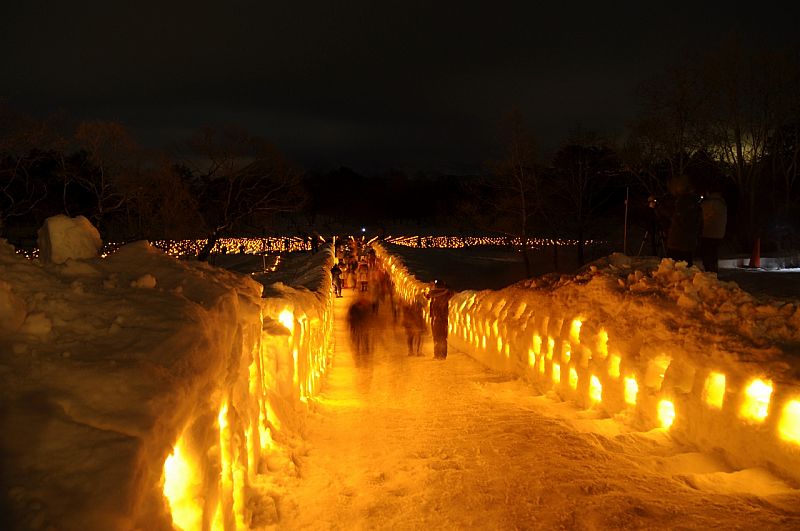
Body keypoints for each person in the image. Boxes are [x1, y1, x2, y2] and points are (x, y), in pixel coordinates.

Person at [665, 175, 702, 266]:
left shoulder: (683, 201)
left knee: (674, 268)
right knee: (685, 267)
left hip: (678, 242)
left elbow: (676, 217)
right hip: (688, 242)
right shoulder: (694, 201)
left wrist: (658, 207)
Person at [700, 189, 727, 273]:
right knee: (714, 253)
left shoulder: (707, 203)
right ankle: (713, 270)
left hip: (707, 232)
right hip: (719, 233)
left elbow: (701, 215)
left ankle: (709, 271)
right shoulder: (722, 203)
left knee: (707, 253)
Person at [426, 280, 453, 359]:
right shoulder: (446, 294)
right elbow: (452, 292)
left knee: (437, 337)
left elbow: (428, 295)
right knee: (442, 337)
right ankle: (442, 354)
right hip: (443, 319)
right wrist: (445, 290)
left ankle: (438, 354)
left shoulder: (434, 294)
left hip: (437, 319)